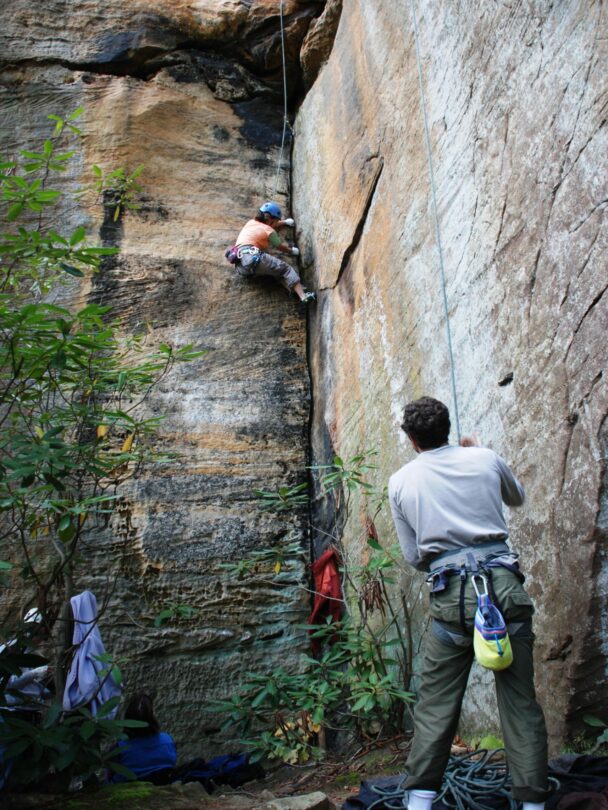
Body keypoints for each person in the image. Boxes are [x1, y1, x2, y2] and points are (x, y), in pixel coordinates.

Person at [388, 396, 550, 810]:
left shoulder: (401, 481)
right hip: (502, 585)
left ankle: (419, 803)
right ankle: (532, 803)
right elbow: (517, 498)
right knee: (519, 703)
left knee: (436, 703)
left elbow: (414, 557)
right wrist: (477, 453)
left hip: (450, 594)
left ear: (411, 439)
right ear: (447, 428)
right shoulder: (484, 458)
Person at [233, 202, 316, 303]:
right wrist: (292, 251)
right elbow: (279, 246)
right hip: (252, 257)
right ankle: (303, 296)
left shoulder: (250, 223)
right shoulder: (268, 229)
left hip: (240, 266)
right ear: (270, 219)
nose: (277, 222)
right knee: (285, 269)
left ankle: (297, 291)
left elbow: (272, 224)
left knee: (278, 272)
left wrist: (285, 222)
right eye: (276, 220)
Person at [110, 693, 177, 784]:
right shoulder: (168, 741)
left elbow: (110, 778)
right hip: (162, 787)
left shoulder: (119, 749)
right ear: (152, 717)